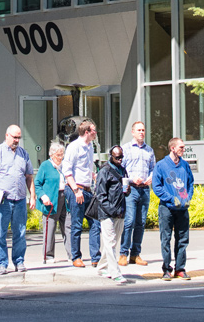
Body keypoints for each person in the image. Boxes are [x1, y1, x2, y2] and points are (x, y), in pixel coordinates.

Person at [0, 125, 36, 275]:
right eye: (14, 137)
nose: (17, 140)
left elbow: (29, 176)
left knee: (20, 232)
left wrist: (32, 196)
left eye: (19, 137)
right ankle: (2, 263)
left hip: (19, 199)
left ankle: (19, 261)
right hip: (2, 200)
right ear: (7, 135)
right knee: (0, 233)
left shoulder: (23, 154)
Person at [152, 137, 194, 280]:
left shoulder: (184, 165)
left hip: (182, 208)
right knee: (166, 239)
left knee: (182, 239)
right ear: (172, 148)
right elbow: (156, 186)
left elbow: (190, 183)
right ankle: (166, 269)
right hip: (167, 208)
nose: (183, 149)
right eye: (181, 147)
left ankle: (180, 268)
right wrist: (170, 198)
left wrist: (188, 197)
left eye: (183, 147)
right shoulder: (161, 165)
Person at [61, 119, 101, 268]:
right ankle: (76, 257)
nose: (96, 133)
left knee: (95, 223)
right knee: (76, 224)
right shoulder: (74, 147)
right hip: (75, 189)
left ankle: (96, 256)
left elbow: (86, 167)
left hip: (88, 189)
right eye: (94, 131)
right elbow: (67, 171)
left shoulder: (90, 147)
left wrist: (94, 176)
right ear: (87, 132)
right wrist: (76, 190)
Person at [119, 121, 155, 267]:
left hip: (144, 189)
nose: (141, 132)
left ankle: (135, 254)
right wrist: (131, 179)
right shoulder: (126, 149)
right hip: (131, 189)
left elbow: (153, 168)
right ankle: (123, 253)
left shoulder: (149, 150)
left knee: (140, 223)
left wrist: (151, 178)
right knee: (129, 221)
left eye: (143, 130)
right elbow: (120, 170)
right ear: (133, 132)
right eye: (139, 130)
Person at [95, 145, 130, 284]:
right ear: (111, 156)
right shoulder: (105, 171)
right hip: (107, 212)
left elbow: (125, 189)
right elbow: (100, 195)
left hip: (120, 210)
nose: (120, 160)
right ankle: (115, 272)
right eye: (117, 157)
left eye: (121, 157)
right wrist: (110, 210)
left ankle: (102, 266)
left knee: (112, 241)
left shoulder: (122, 170)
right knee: (110, 242)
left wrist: (127, 190)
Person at [35, 142, 72, 263]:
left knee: (68, 226)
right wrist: (43, 196)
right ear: (51, 155)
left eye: (62, 155)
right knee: (50, 228)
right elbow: (37, 184)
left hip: (64, 199)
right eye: (58, 155)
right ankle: (48, 255)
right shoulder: (45, 166)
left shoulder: (64, 165)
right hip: (50, 200)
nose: (60, 157)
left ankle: (73, 255)